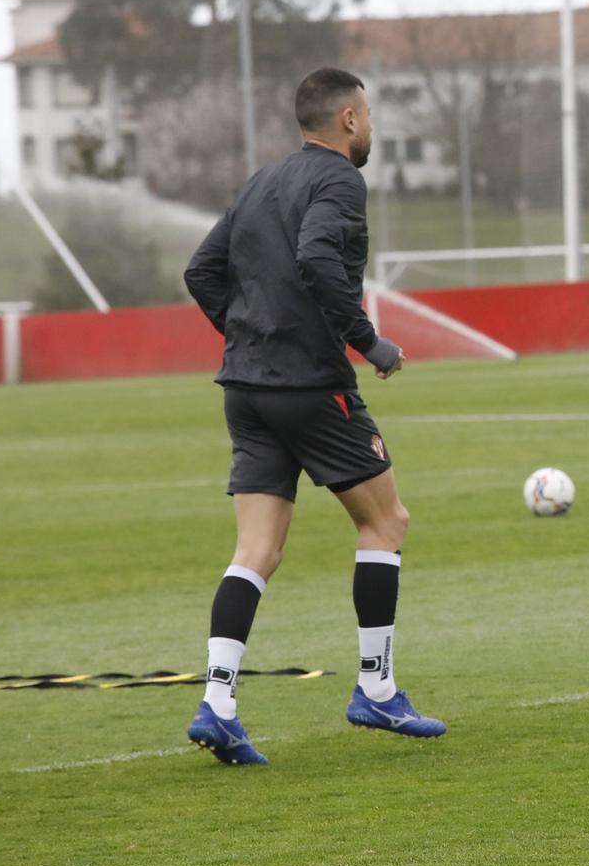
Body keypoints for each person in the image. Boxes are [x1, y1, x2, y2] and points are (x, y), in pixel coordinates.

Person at [180, 67, 445, 765]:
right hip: (308, 385)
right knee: (385, 521)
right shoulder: (340, 182)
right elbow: (317, 255)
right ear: (350, 120)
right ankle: (377, 688)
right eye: (371, 114)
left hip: (246, 386)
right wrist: (368, 341)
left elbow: (201, 271)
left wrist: (248, 335)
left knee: (256, 551)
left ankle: (218, 703)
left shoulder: (263, 181)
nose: (373, 128)